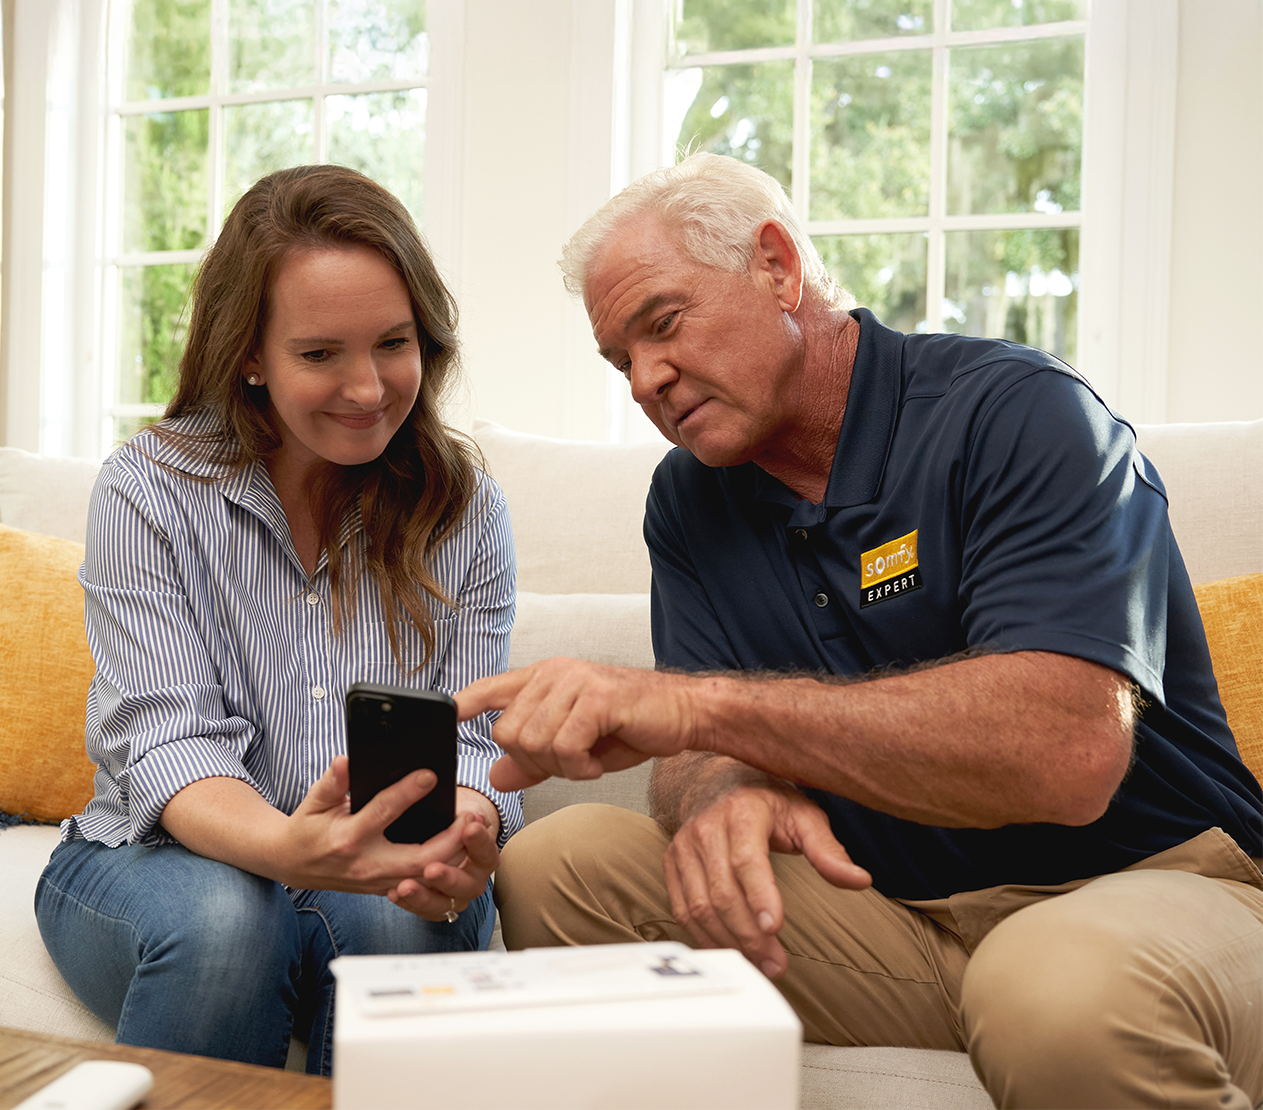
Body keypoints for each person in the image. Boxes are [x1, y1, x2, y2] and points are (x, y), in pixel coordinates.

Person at [456, 153, 1263, 1109]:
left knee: (1050, 989)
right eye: (619, 359)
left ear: (776, 267)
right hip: (898, 914)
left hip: (1152, 885)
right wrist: (727, 786)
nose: (645, 380)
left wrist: (700, 711)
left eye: (662, 325)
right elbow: (694, 758)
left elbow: (1067, 751)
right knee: (564, 863)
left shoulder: (1018, 414)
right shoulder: (689, 500)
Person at [35, 165, 520, 1077]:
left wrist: (468, 830)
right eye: (320, 354)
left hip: (376, 861)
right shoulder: (151, 489)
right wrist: (292, 850)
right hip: (159, 858)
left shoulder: (465, 510)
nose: (369, 388)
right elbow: (167, 738)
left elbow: (475, 742)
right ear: (249, 355)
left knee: (401, 913)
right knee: (229, 920)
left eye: (392, 342)